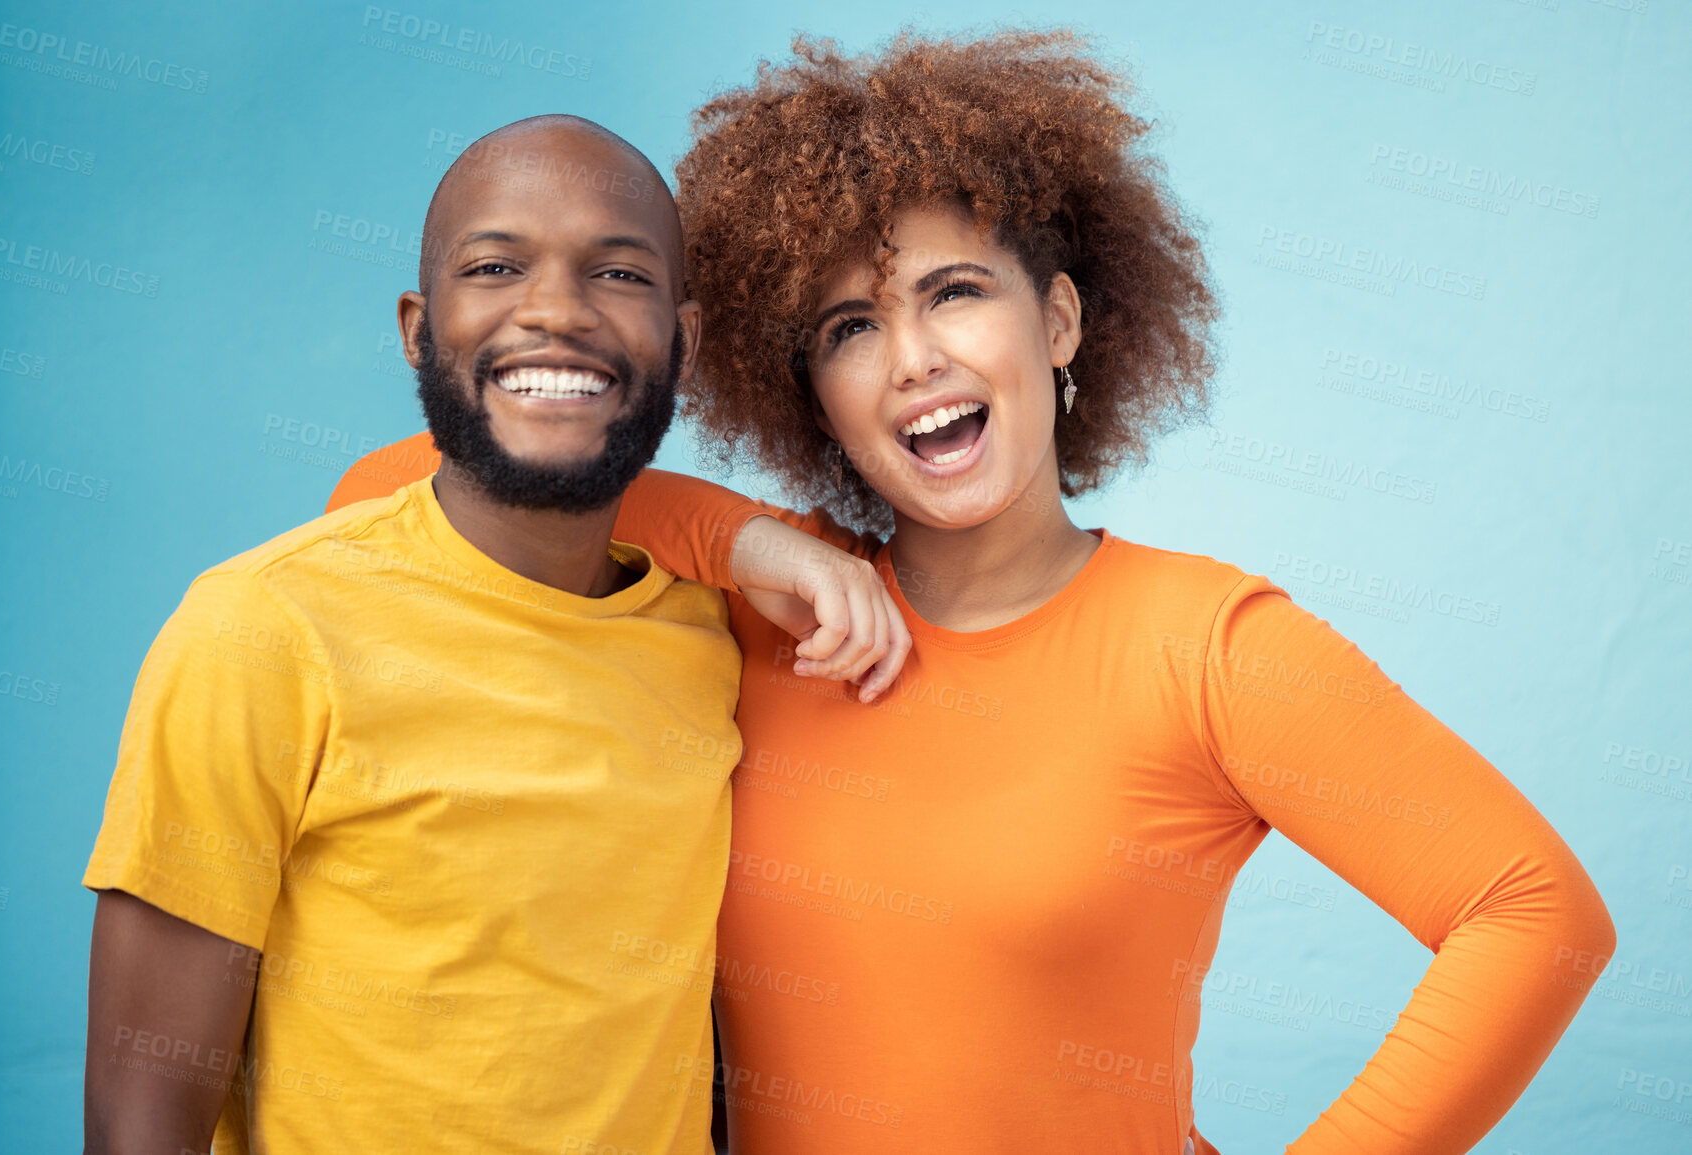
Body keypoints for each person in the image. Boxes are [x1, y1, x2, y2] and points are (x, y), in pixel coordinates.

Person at [329, 32, 1616, 1155]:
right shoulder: (765, 609)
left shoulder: (1207, 645)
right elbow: (381, 485)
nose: (915, 361)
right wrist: (755, 547)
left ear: (1056, 322)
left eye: (955, 293)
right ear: (810, 396)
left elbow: (1533, 911)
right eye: (850, 328)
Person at [82, 114, 902, 1154]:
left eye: (618, 274)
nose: (556, 312)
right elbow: (138, 1115)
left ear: (685, 342)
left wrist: (745, 544)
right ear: (418, 331)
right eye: (496, 265)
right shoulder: (263, 630)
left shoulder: (713, 647)